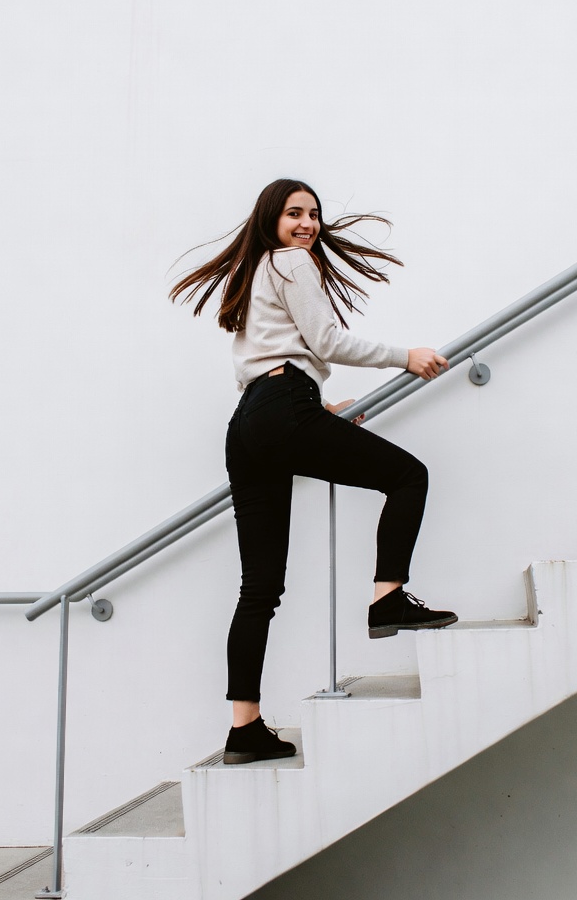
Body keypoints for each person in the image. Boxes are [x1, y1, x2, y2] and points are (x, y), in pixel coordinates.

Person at [170, 178, 456, 765]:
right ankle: (387, 599)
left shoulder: (255, 271)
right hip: (279, 408)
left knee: (260, 588)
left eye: (313, 215)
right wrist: (407, 356)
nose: (306, 224)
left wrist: (312, 399)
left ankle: (243, 729)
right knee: (409, 476)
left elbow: (273, 358)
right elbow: (325, 339)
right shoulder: (290, 261)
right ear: (270, 218)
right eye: (294, 213)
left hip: (249, 421)